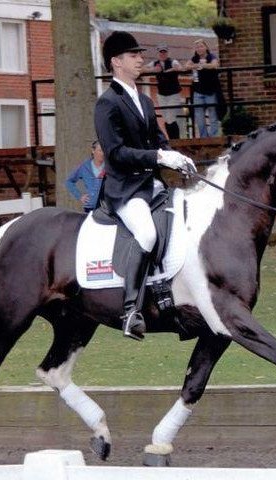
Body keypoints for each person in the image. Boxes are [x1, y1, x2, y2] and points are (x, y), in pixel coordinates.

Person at [94, 31, 196, 340]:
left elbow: (157, 138)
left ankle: (172, 296)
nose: (141, 58)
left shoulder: (143, 99)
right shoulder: (107, 103)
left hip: (152, 184)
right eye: (133, 54)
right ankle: (130, 310)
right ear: (116, 61)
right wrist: (158, 155)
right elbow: (115, 153)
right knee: (147, 233)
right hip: (124, 189)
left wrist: (173, 155)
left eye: (140, 54)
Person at [142, 44, 184, 139]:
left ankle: (175, 139)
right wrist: (154, 70)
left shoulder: (172, 61)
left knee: (170, 118)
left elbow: (180, 68)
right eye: (160, 52)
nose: (162, 54)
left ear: (167, 53)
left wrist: (171, 70)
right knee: (166, 118)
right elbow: (143, 69)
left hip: (173, 93)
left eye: (164, 52)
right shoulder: (155, 63)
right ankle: (171, 139)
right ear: (158, 53)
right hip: (162, 94)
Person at [185, 39, 221, 138]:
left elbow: (214, 65)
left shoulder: (211, 56)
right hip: (198, 91)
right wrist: (195, 65)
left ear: (206, 47)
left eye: (201, 46)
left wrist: (203, 65)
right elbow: (187, 66)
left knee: (213, 115)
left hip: (210, 91)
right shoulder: (195, 58)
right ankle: (203, 137)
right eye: (197, 47)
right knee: (199, 117)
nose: (199, 49)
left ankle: (214, 137)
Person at [65, 140, 105, 213]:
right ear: (93, 150)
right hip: (90, 207)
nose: (102, 153)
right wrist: (80, 196)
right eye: (100, 150)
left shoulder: (109, 168)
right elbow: (69, 182)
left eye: (104, 151)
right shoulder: (84, 167)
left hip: (106, 207)